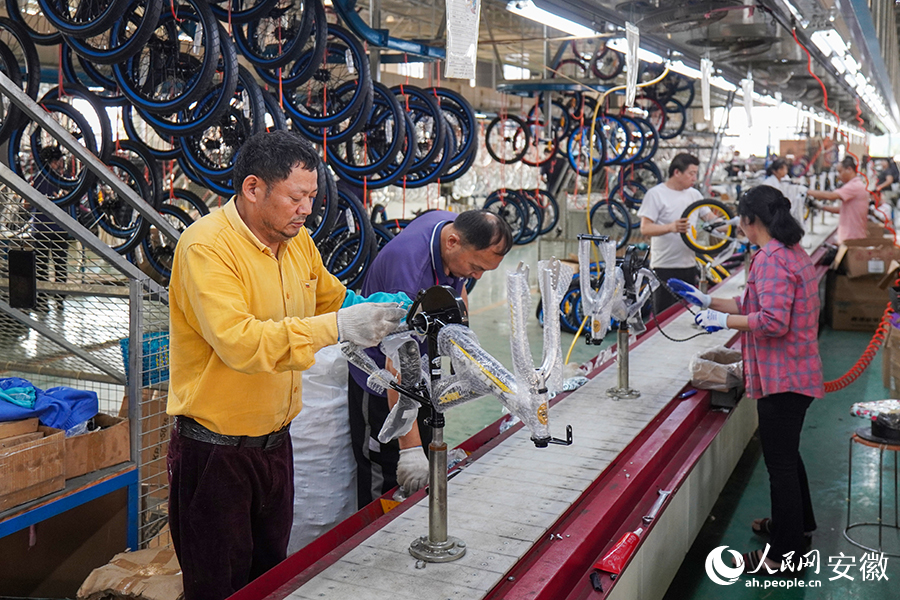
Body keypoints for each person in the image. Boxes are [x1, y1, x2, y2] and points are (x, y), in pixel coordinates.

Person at [166, 130, 409, 600]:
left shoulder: (297, 242)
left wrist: (380, 309)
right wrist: (338, 326)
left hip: (276, 447)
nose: (306, 209)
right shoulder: (206, 248)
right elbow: (241, 343)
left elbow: (332, 298)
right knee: (219, 587)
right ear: (253, 188)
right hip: (216, 456)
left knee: (269, 577)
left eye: (312, 197)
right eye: (296, 197)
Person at [668, 185, 823, 575]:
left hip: (783, 378)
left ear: (751, 220)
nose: (739, 225)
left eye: (741, 218)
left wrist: (722, 322)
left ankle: (785, 556)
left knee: (780, 465)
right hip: (796, 372)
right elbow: (752, 304)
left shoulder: (770, 259)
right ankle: (797, 526)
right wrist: (708, 301)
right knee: (788, 456)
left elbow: (772, 322)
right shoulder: (790, 251)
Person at [348, 209, 514, 508]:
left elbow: (458, 290)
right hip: (381, 375)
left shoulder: (453, 227)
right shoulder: (408, 273)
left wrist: (462, 346)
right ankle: (379, 530)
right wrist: (409, 449)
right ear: (452, 242)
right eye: (476, 267)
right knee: (388, 468)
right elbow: (398, 365)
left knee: (426, 451)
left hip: (421, 370)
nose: (477, 276)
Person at [637, 153, 704, 314]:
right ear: (677, 172)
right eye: (691, 173)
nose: (694, 178)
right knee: (663, 316)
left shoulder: (694, 195)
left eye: (696, 173)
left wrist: (733, 225)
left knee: (686, 315)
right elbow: (645, 228)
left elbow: (711, 218)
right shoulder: (656, 194)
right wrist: (671, 227)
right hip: (664, 267)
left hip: (689, 266)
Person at [30, 146, 70, 303]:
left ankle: (48, 301)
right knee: (53, 267)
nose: (60, 163)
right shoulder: (60, 179)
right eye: (58, 160)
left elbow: (26, 204)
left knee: (47, 267)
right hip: (50, 229)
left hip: (47, 229)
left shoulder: (38, 178)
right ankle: (52, 300)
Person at [806, 156, 870, 244]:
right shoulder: (857, 185)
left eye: (840, 172)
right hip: (852, 236)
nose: (838, 176)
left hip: (851, 238)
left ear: (849, 169)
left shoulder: (854, 186)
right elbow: (843, 210)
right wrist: (820, 207)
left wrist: (806, 191)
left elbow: (831, 196)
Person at [762, 158, 806, 226]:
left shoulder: (786, 179)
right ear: (775, 171)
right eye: (782, 169)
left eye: (786, 169)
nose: (785, 171)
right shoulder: (768, 183)